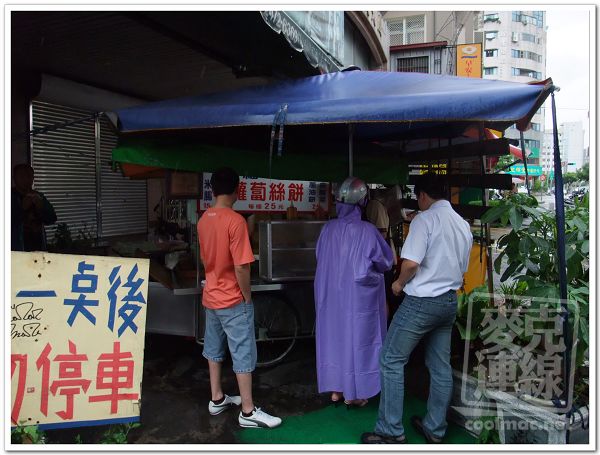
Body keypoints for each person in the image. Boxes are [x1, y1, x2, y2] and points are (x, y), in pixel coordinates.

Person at [362, 172, 472, 444]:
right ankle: (435, 429)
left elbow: (410, 263)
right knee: (439, 366)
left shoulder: (425, 219)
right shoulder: (462, 224)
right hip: (448, 301)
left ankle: (390, 431)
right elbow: (463, 267)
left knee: (390, 360)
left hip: (422, 302)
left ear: (423, 195)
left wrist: (398, 284)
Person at [197, 167, 281, 429]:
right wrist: (246, 295)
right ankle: (247, 411)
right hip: (233, 300)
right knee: (242, 353)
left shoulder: (203, 220)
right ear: (237, 190)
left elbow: (204, 258)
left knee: (213, 350)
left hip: (211, 295)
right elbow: (242, 266)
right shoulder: (235, 221)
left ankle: (217, 398)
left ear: (212, 189)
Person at [314, 176, 394, 408]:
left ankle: (337, 390)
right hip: (359, 299)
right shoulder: (368, 231)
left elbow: (320, 257)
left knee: (334, 338)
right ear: (362, 203)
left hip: (330, 297)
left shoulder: (327, 229)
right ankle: (355, 392)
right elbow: (385, 261)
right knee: (357, 341)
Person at [11, 163, 57, 251]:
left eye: (29, 176)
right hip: (15, 250)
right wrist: (22, 208)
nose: (26, 179)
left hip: (38, 248)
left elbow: (52, 218)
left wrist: (41, 207)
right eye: (22, 176)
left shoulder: (38, 196)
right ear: (14, 178)